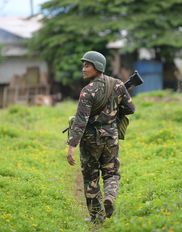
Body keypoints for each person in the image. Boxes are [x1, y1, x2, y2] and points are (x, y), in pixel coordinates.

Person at [66, 51, 135, 223]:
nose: (83, 69)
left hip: (91, 139)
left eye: (87, 65)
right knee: (111, 172)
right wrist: (114, 110)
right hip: (111, 137)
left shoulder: (87, 91)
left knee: (91, 176)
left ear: (97, 67)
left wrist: (71, 146)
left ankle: (97, 217)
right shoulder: (118, 85)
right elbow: (131, 109)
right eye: (84, 65)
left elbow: (80, 121)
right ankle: (110, 196)